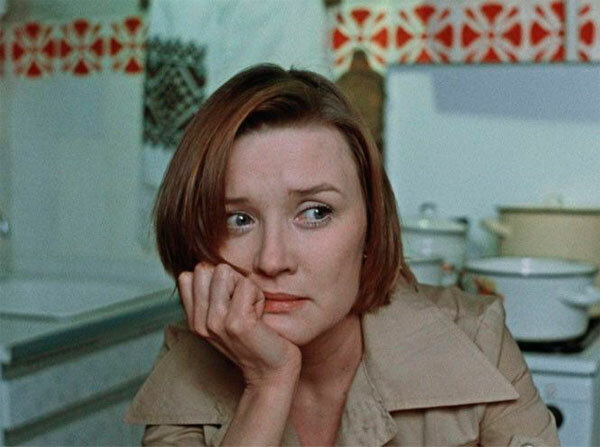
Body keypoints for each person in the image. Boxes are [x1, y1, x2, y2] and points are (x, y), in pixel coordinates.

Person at [124, 64, 559, 446]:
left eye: (316, 212)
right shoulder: (187, 370)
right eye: (238, 220)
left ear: (370, 224)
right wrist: (267, 385)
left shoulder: (477, 339)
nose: (272, 261)